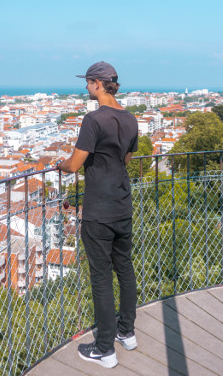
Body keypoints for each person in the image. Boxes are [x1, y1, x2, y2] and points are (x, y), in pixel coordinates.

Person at [57, 61, 139, 369]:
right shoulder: (131, 119)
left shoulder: (93, 119)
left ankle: (105, 348)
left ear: (95, 84)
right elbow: (126, 159)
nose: (85, 88)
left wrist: (59, 166)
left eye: (87, 83)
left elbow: (75, 164)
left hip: (98, 209)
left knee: (102, 278)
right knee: (125, 269)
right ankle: (126, 332)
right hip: (122, 204)